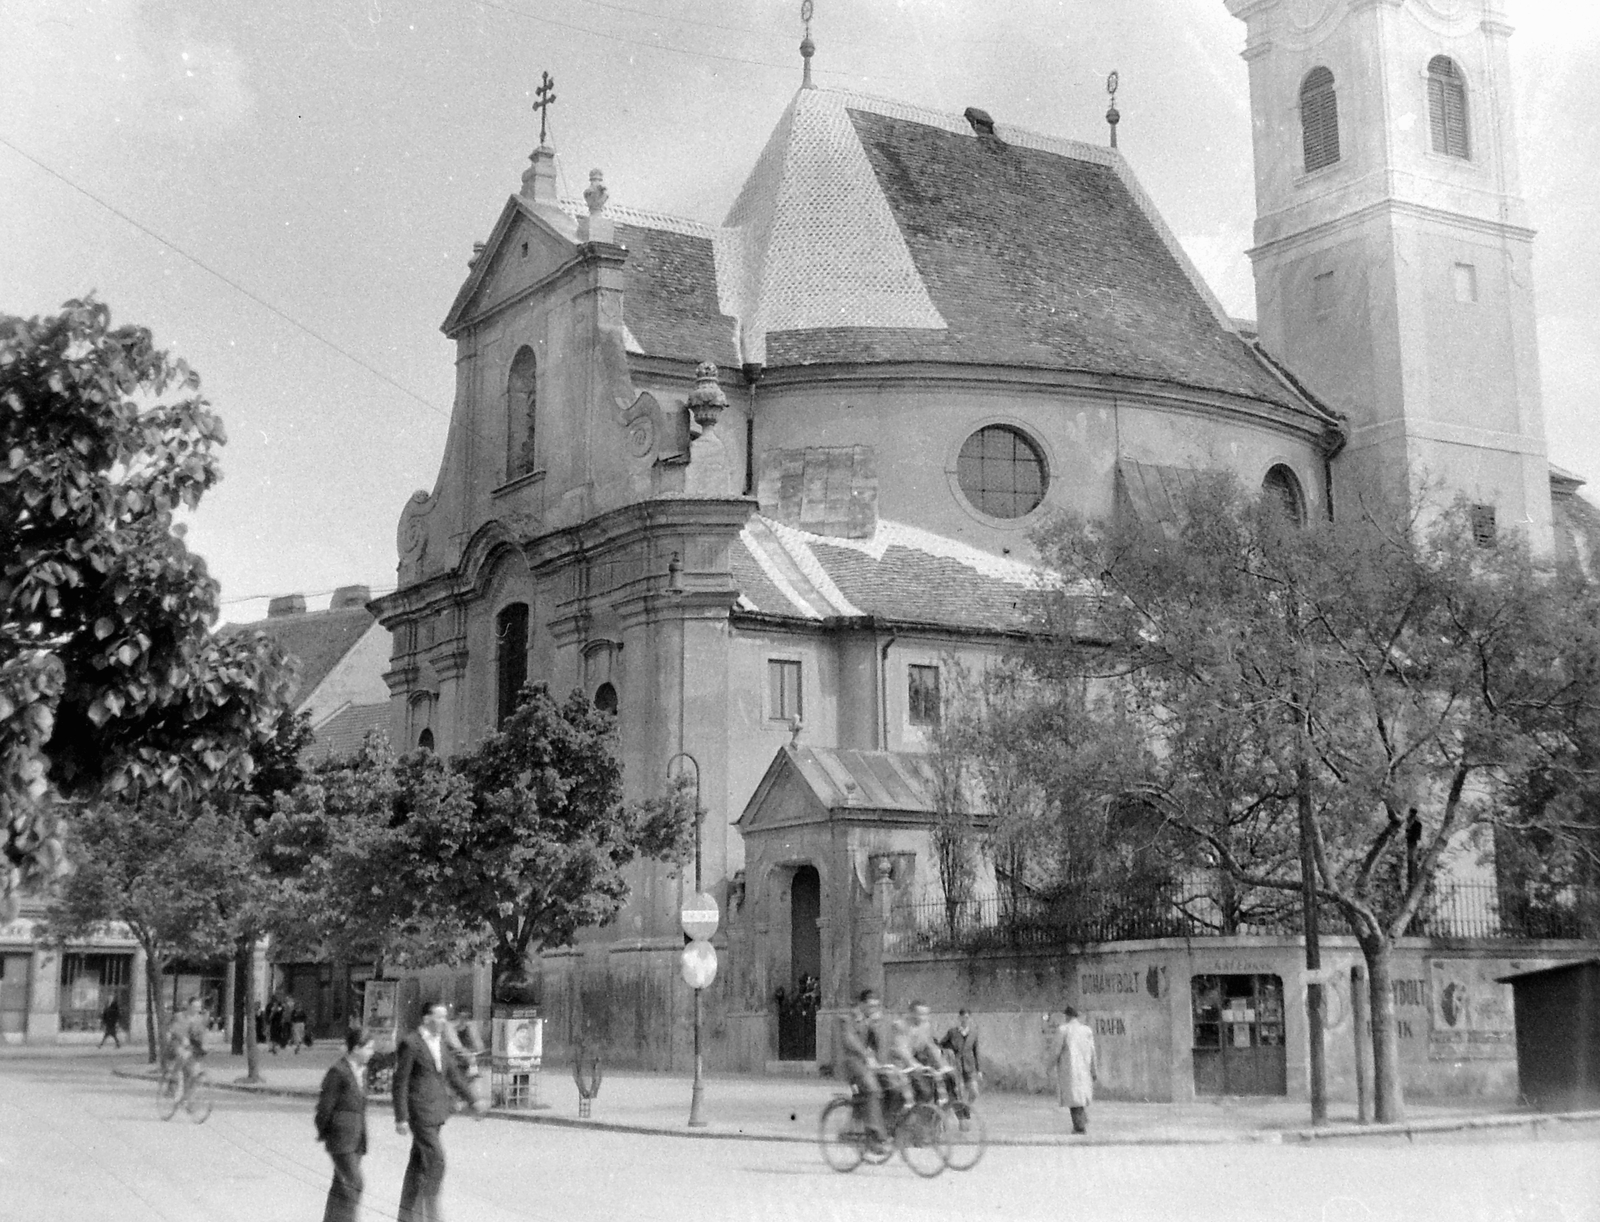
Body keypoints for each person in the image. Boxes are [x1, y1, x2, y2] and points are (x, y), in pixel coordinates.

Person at [393, 1001, 485, 1222]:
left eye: (445, 1017)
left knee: (418, 1165)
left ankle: (407, 1218)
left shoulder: (440, 1043)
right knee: (436, 1160)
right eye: (440, 1017)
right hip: (419, 1112)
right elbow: (400, 1081)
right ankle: (433, 1216)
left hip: (436, 1112)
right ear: (426, 1019)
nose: (444, 1021)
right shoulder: (411, 1043)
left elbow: (453, 1075)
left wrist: (474, 1100)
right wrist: (401, 1117)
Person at [315, 1026, 376, 1222]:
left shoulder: (361, 1072)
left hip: (356, 1139)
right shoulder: (338, 1072)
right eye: (368, 1048)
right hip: (340, 1140)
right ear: (356, 1048)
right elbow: (324, 1108)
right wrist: (329, 1133)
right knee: (354, 1184)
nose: (371, 1053)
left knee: (341, 1187)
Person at [837, 989, 891, 1148]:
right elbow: (850, 1040)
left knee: (890, 1085)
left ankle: (885, 1126)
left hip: (868, 1065)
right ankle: (875, 1133)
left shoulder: (870, 1020)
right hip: (852, 1063)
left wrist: (875, 1026)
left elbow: (879, 1044)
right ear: (861, 1004)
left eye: (876, 1006)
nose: (873, 1009)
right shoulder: (849, 1018)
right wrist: (866, 1055)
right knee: (873, 1090)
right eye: (870, 1006)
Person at [1051, 1006, 1097, 1134]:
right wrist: (1094, 1070)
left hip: (1069, 1069)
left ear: (1067, 1016)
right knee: (1080, 1096)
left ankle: (1079, 1126)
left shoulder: (1063, 1030)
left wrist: (1048, 1066)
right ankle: (1082, 1120)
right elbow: (1093, 1052)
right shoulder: (1087, 1030)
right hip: (1084, 1069)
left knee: (1073, 1099)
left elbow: (1055, 1051)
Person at [165, 995, 209, 1105]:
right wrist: (182, 1039)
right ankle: (173, 1080)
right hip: (177, 1044)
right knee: (183, 1055)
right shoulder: (179, 1016)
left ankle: (188, 1099)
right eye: (194, 1006)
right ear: (189, 1006)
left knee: (195, 1073)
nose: (197, 1009)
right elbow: (173, 1030)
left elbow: (201, 1034)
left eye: (199, 1007)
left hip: (192, 1047)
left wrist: (204, 1044)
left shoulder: (200, 1019)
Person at [940, 1008, 982, 1103]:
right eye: (963, 1017)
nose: (965, 1020)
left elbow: (976, 1052)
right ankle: (960, 1112)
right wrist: (948, 1055)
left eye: (967, 1018)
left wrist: (979, 1070)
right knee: (960, 1092)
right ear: (959, 1018)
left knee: (974, 1092)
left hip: (970, 1067)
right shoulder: (952, 1032)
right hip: (956, 1066)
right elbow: (941, 1045)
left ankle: (967, 1107)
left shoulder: (974, 1033)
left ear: (970, 1018)